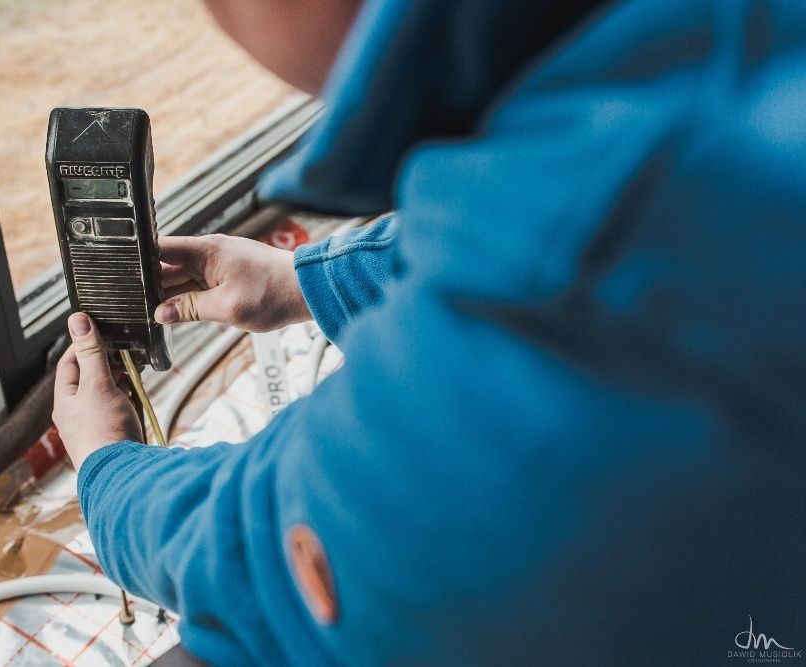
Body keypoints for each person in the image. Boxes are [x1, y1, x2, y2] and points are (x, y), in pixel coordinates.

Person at [53, 0, 806, 664]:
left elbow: (267, 556)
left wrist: (104, 464)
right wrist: (301, 279)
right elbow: (536, 206)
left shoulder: (564, 299)